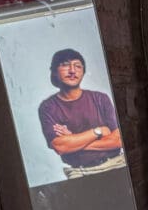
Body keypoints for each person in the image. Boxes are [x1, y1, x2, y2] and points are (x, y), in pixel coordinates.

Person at [38, 48, 125, 179]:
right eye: (65, 65)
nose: (72, 71)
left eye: (78, 66)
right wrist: (98, 131)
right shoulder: (48, 107)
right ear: (54, 72)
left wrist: (74, 140)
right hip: (80, 172)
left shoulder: (100, 98)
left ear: (83, 72)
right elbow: (60, 146)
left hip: (116, 163)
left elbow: (118, 140)